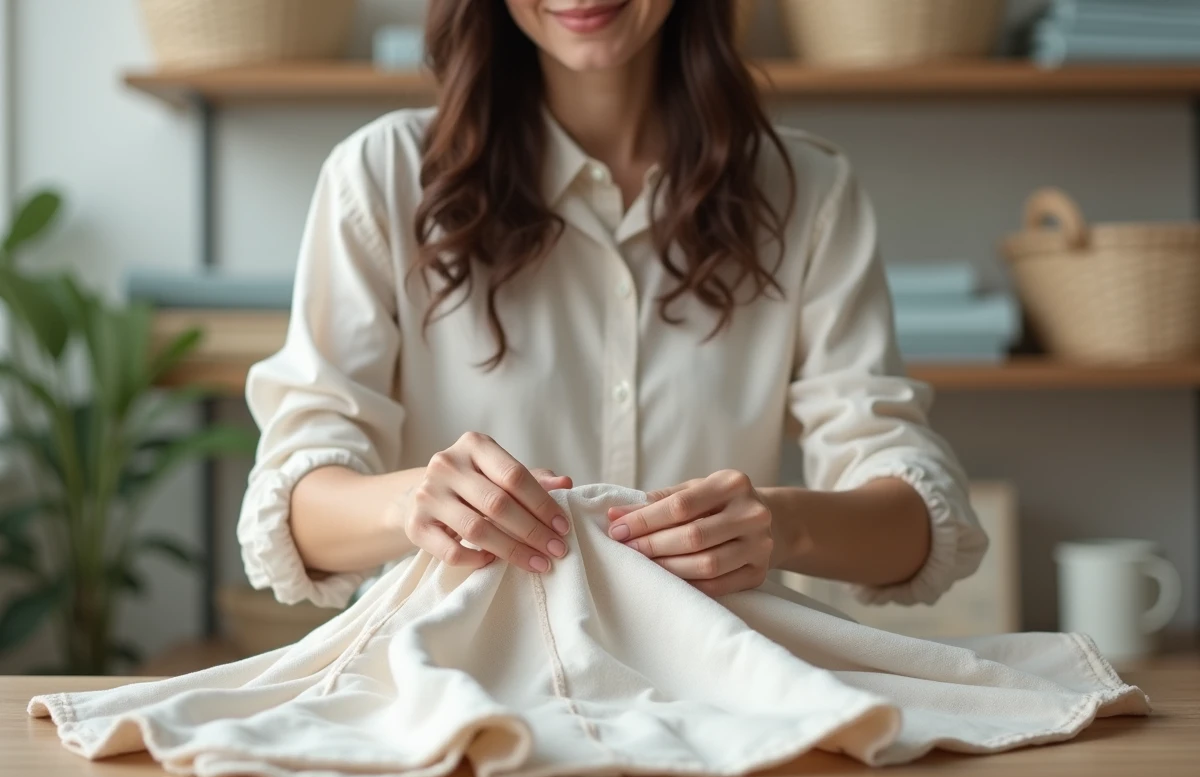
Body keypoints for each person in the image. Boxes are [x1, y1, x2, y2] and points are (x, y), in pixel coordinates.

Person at [237, 0, 987, 611]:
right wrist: (415, 502)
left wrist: (779, 526)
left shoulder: (808, 191)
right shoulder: (383, 176)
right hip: (454, 687)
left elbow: (920, 525)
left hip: (718, 692)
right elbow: (292, 512)